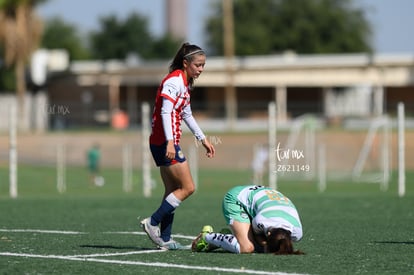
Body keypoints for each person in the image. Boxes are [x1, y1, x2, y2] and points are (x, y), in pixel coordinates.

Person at [140, 43, 216, 250]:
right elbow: (165, 112)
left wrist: (203, 139)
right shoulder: (174, 81)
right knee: (188, 187)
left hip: (164, 141)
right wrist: (171, 142)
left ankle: (164, 239)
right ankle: (152, 222)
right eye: (198, 65)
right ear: (185, 63)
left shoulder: (185, 82)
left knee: (173, 190)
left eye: (203, 65)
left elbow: (186, 114)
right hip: (165, 142)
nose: (201, 69)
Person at [192, 185, 304, 255]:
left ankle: (227, 236)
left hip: (260, 199)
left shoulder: (297, 232)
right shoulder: (263, 220)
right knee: (247, 247)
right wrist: (266, 246)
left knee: (258, 247)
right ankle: (206, 236)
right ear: (268, 233)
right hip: (236, 199)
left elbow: (280, 240)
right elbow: (257, 236)